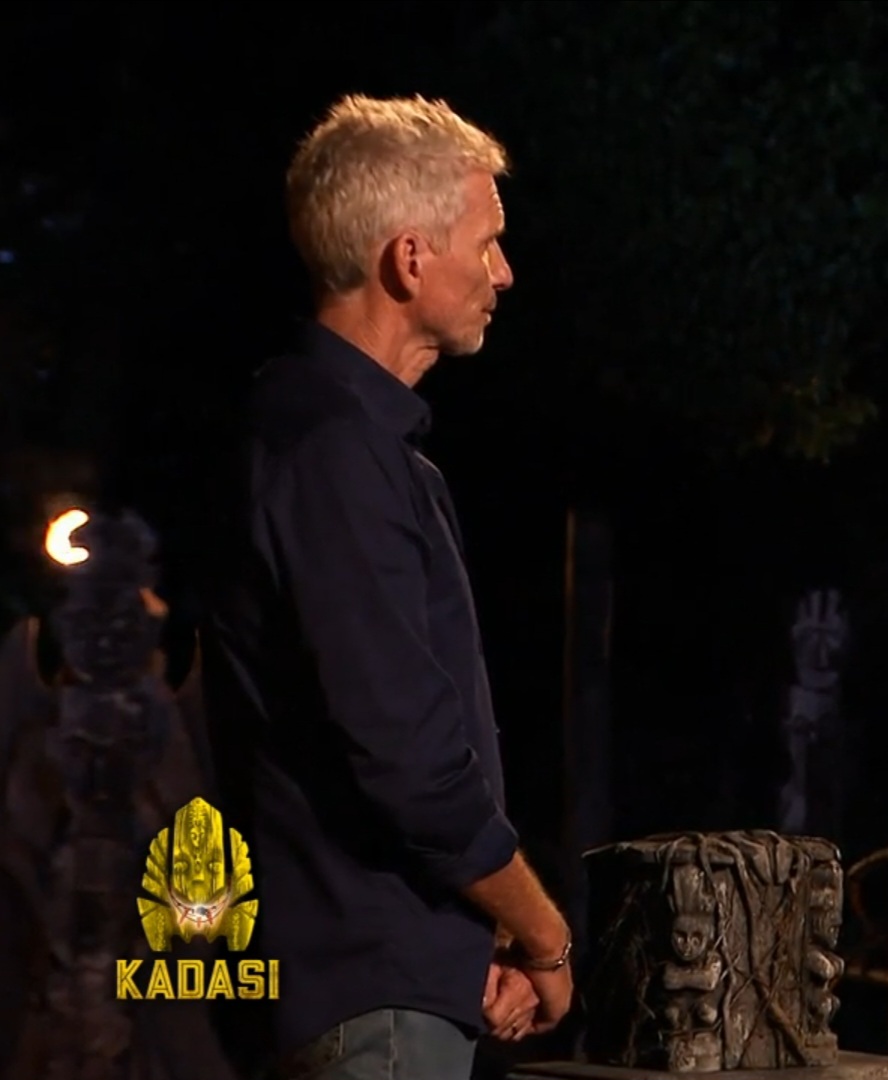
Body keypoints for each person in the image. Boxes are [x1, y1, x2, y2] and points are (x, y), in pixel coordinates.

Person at [201, 95, 572, 1080]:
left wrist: (466, 935)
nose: (503, 272)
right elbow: (406, 755)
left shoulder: (340, 441)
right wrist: (542, 934)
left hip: (375, 981)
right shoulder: (332, 449)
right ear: (410, 259)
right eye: (486, 243)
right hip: (366, 995)